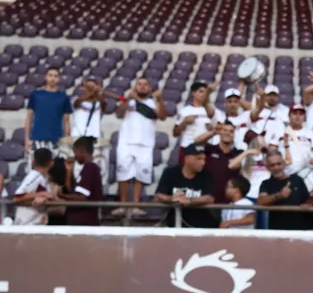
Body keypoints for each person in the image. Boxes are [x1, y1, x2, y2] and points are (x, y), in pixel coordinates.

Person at [115, 77, 167, 217]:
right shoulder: (129, 101)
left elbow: (162, 116)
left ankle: (136, 205)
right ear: (135, 87)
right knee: (123, 174)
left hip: (145, 143)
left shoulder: (152, 103)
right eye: (140, 84)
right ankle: (122, 205)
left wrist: (160, 99)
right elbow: (119, 113)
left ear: (150, 88)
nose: (143, 87)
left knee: (141, 176)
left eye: (145, 84)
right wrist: (127, 99)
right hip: (126, 142)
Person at [153, 144, 217, 229]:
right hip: (174, 225)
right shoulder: (170, 172)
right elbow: (158, 196)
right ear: (187, 159)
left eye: (204, 159)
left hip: (201, 226)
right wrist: (174, 199)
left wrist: (188, 201)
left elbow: (209, 198)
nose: (203, 163)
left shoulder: (207, 174)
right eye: (199, 159)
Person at [257, 150, 313, 231]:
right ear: (267, 167)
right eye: (272, 165)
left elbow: (307, 199)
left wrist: (307, 205)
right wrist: (279, 195)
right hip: (279, 230)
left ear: (284, 164)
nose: (276, 168)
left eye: (279, 164)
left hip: (302, 229)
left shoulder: (297, 179)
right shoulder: (266, 183)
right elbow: (261, 202)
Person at [24, 67, 72, 162]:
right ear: (46, 77)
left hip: (56, 140)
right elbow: (29, 118)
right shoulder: (36, 95)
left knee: (54, 173)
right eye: (50, 75)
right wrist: (26, 139)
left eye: (55, 76)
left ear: (59, 79)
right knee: (35, 171)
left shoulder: (63, 97)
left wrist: (66, 142)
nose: (52, 78)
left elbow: (66, 121)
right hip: (36, 139)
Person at [60, 136, 103, 226]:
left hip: (84, 221)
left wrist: (63, 196)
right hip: (77, 220)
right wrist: (69, 171)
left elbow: (82, 197)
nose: (74, 155)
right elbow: (69, 191)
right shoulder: (85, 169)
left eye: (75, 151)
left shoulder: (91, 168)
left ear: (82, 150)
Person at [12, 147, 54, 226]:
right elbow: (16, 197)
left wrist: (44, 198)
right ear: (51, 163)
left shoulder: (44, 178)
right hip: (26, 225)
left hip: (38, 223)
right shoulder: (34, 176)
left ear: (33, 162)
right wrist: (40, 194)